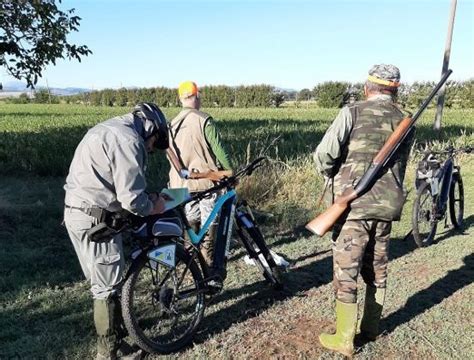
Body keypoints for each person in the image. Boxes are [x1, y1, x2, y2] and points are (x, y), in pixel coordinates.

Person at [313, 64, 413, 357]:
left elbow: (325, 155)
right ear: (395, 90)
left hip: (352, 207)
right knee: (377, 268)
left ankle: (344, 338)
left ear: (367, 87)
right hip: (386, 206)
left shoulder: (351, 112)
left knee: (347, 272)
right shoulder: (405, 121)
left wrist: (333, 174)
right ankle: (371, 327)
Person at [63, 102, 170, 360]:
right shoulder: (130, 140)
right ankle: (108, 353)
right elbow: (132, 200)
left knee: (100, 282)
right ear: (151, 130)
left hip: (75, 214)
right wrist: (153, 205)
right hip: (97, 221)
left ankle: (118, 342)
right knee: (106, 288)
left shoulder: (107, 128)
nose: (150, 149)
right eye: (153, 144)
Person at [167, 81, 233, 283]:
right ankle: (209, 267)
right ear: (197, 96)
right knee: (210, 223)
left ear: (181, 99)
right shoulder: (204, 120)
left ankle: (190, 265)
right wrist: (230, 172)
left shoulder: (171, 124)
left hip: (179, 187)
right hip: (204, 183)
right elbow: (220, 152)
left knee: (190, 223)